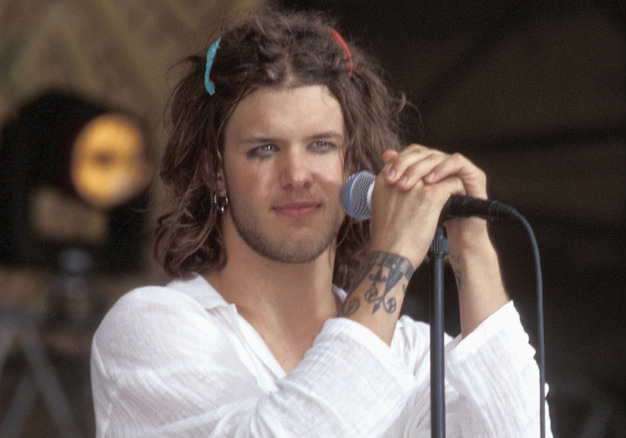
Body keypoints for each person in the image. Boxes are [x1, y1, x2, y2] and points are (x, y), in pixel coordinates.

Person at [90, 8, 553, 437]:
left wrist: (473, 254)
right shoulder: (151, 328)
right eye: (264, 149)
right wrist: (390, 259)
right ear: (216, 171)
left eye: (321, 146)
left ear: (354, 166)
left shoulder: (411, 351)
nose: (296, 175)